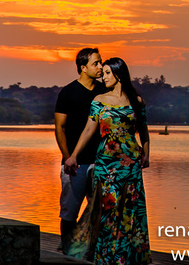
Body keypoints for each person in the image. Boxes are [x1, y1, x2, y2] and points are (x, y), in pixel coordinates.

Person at [64, 57, 150, 265]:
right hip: (106, 164)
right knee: (107, 210)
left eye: (108, 72)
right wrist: (73, 155)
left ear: (119, 74)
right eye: (102, 72)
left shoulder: (136, 101)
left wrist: (147, 154)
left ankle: (125, 258)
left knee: (129, 210)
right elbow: (88, 130)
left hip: (130, 164)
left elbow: (144, 131)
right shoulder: (99, 100)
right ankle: (104, 257)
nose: (103, 76)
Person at [54, 47, 105, 254]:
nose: (100, 67)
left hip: (101, 162)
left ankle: (91, 250)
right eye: (96, 63)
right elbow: (60, 127)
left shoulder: (104, 92)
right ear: (83, 68)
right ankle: (66, 249)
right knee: (69, 211)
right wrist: (68, 157)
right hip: (76, 164)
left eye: (101, 62)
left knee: (99, 211)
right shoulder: (68, 92)